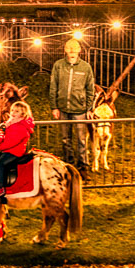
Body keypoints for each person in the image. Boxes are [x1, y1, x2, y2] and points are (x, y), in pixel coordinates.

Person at [49, 39, 96, 171]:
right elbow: (53, 86)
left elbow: (90, 89)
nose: (72, 51)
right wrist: (54, 106)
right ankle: (68, 164)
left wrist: (89, 108)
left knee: (81, 139)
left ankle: (83, 165)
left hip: (79, 110)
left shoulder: (85, 67)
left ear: (79, 50)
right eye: (69, 49)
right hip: (63, 108)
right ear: (65, 50)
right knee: (65, 139)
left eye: (75, 49)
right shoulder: (58, 66)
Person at [0, 100, 35, 204]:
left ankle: (0, 187)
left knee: (0, 163)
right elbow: (1, 137)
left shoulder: (21, 127)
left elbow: (12, 141)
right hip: (7, 149)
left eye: (17, 111)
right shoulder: (10, 123)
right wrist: (3, 130)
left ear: (23, 114)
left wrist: (0, 147)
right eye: (12, 110)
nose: (13, 113)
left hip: (15, 151)